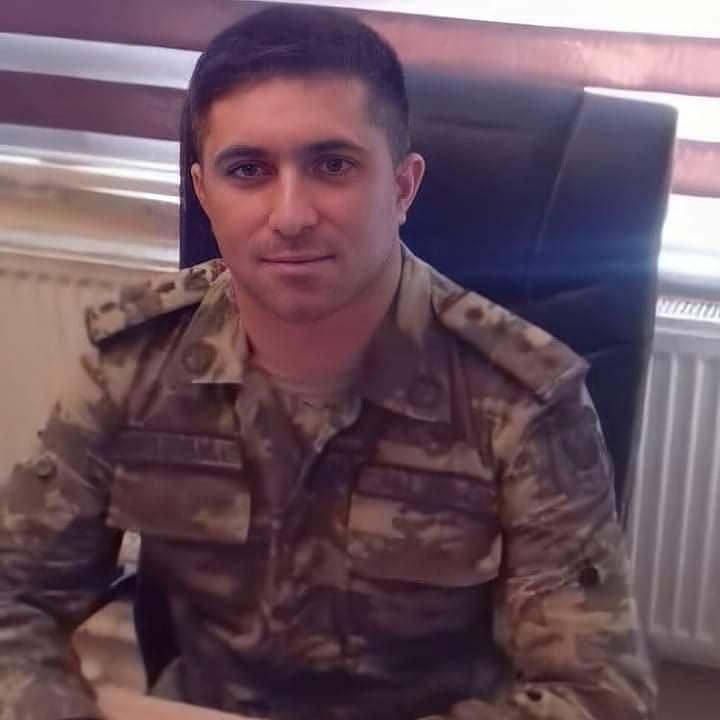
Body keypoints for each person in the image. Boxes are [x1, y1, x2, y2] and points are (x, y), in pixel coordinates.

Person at [0, 5, 656, 720]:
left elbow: (599, 697)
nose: (290, 216)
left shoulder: (522, 401)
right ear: (205, 194)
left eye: (332, 165)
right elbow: (13, 592)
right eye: (248, 170)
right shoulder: (134, 363)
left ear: (401, 188)